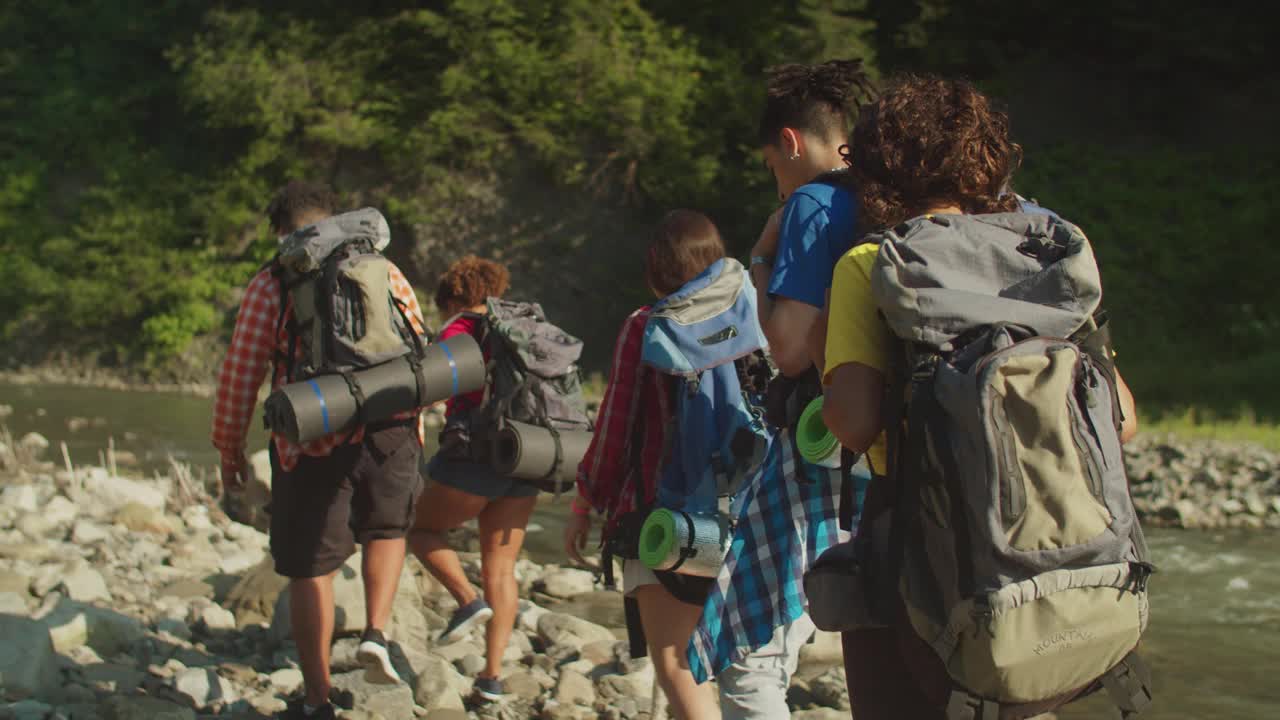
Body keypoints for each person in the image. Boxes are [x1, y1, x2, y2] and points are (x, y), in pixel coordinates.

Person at [820, 75, 1140, 719]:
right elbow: (1124, 419)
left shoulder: (873, 262)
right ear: (989, 159)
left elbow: (852, 424)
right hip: (1056, 547)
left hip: (916, 546)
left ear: (879, 169)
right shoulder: (1044, 255)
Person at [685, 59, 876, 718]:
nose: (775, 178)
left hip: (826, 450)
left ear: (789, 144)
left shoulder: (813, 203)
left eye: (771, 164)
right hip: (895, 448)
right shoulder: (888, 193)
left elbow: (789, 347)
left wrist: (763, 258)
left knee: (751, 650)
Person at [212, 181, 429, 720]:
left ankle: (316, 701)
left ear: (281, 231)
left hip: (312, 434)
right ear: (333, 217)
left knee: (312, 568)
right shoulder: (382, 265)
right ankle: (376, 631)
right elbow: (418, 344)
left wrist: (229, 450)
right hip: (392, 425)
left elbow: (242, 371)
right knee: (386, 531)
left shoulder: (273, 280)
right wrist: (417, 433)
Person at [566, 209, 770, 720]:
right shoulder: (754, 315)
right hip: (749, 512)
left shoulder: (647, 326)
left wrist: (584, 501)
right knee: (731, 667)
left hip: (666, 520)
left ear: (657, 265)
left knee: (676, 663)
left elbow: (615, 427)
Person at [407, 255, 536, 702]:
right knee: (500, 567)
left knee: (413, 524)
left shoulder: (459, 330)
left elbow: (424, 391)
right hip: (527, 454)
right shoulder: (521, 327)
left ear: (452, 298)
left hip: (474, 456)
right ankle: (492, 676)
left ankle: (466, 599)